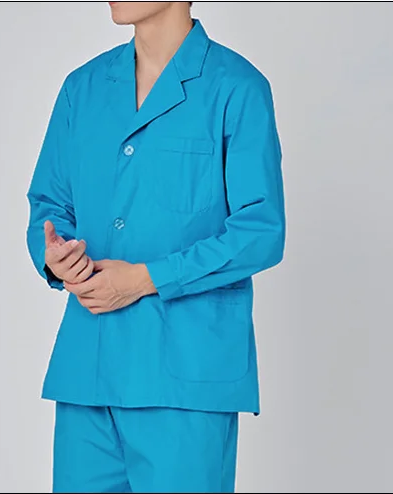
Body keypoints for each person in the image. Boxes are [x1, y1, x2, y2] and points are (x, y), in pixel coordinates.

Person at [25, 2, 285, 492]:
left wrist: (147, 278)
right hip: (89, 372)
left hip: (185, 377)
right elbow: (50, 203)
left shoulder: (237, 87)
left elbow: (260, 231)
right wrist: (57, 258)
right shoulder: (83, 88)